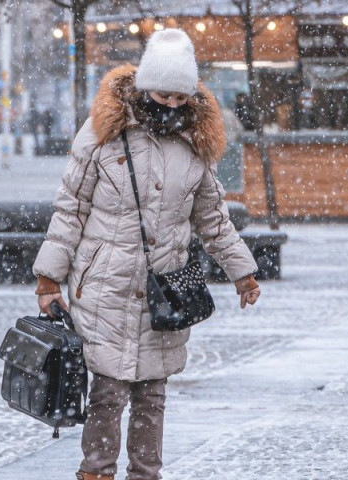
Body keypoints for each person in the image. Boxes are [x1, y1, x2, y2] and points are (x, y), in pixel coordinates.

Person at [32, 29, 262, 480]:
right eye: (163, 94)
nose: (172, 105)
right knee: (109, 392)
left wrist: (243, 274)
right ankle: (96, 472)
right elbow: (71, 208)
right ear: (144, 88)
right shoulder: (104, 133)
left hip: (164, 292)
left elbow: (213, 218)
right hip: (104, 287)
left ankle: (145, 474)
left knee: (152, 396)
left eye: (181, 96)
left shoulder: (195, 144)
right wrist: (48, 280)